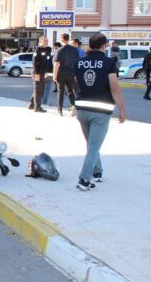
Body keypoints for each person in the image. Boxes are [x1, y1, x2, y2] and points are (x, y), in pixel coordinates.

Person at [74, 33, 126, 191]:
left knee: (91, 144)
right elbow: (114, 87)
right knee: (94, 146)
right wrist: (122, 110)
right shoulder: (109, 62)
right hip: (101, 110)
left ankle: (97, 171)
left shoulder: (79, 62)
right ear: (104, 46)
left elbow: (77, 84)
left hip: (82, 108)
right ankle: (84, 179)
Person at [53, 33, 80, 116]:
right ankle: (73, 106)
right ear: (68, 39)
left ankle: (59, 110)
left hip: (61, 73)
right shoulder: (75, 50)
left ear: (61, 39)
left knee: (60, 91)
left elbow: (56, 64)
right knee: (70, 90)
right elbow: (77, 62)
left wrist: (54, 75)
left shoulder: (59, 50)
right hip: (71, 73)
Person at [29, 36, 51, 113]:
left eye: (47, 41)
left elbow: (48, 61)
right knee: (38, 90)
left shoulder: (48, 49)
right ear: (40, 41)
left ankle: (32, 104)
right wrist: (37, 73)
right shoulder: (37, 49)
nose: (46, 42)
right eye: (45, 41)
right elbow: (35, 61)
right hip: (37, 72)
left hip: (43, 72)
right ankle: (37, 107)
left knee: (38, 89)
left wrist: (47, 71)